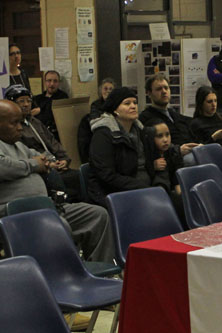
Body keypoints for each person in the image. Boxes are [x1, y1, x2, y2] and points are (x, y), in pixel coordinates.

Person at [0, 99, 114, 263]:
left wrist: (37, 163)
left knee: (97, 215)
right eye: (14, 123)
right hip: (14, 216)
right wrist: (33, 165)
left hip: (47, 208)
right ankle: (66, 277)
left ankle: (98, 272)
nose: (20, 127)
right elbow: (5, 167)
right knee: (57, 225)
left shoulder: (18, 145)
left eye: (20, 122)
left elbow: (45, 157)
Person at [6, 84, 81, 201]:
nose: (26, 104)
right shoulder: (12, 129)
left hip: (56, 163)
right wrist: (49, 164)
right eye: (21, 101)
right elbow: (25, 153)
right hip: (42, 168)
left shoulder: (35, 122)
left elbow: (52, 141)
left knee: (79, 176)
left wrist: (64, 159)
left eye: (28, 101)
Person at [88, 87, 152, 206]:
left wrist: (159, 185)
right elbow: (106, 176)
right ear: (115, 110)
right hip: (114, 192)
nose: (133, 106)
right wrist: (142, 187)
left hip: (144, 188)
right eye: (127, 103)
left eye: (135, 103)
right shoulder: (103, 134)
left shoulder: (141, 130)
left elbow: (154, 162)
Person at [138, 74, 199, 166]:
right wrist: (178, 150)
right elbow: (152, 147)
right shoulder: (145, 118)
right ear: (149, 93)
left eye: (166, 88)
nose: (164, 92)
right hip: (173, 158)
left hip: (191, 150)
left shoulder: (174, 114)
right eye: (159, 89)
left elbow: (191, 132)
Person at [142, 119, 186, 222]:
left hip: (170, 192)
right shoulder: (145, 155)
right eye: (160, 136)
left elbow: (177, 182)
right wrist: (152, 167)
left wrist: (183, 198)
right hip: (153, 195)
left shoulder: (173, 152)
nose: (165, 140)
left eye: (167, 135)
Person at [33, 70, 69, 141]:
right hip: (39, 135)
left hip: (56, 136)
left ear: (58, 83)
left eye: (55, 81)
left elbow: (53, 113)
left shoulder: (63, 97)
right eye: (49, 81)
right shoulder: (37, 98)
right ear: (45, 82)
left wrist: (40, 110)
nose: (52, 84)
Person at [8, 43, 40, 117]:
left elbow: (29, 92)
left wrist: (36, 107)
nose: (16, 56)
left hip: (26, 111)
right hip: (12, 113)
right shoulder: (4, 76)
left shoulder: (23, 73)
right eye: (12, 54)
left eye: (18, 53)